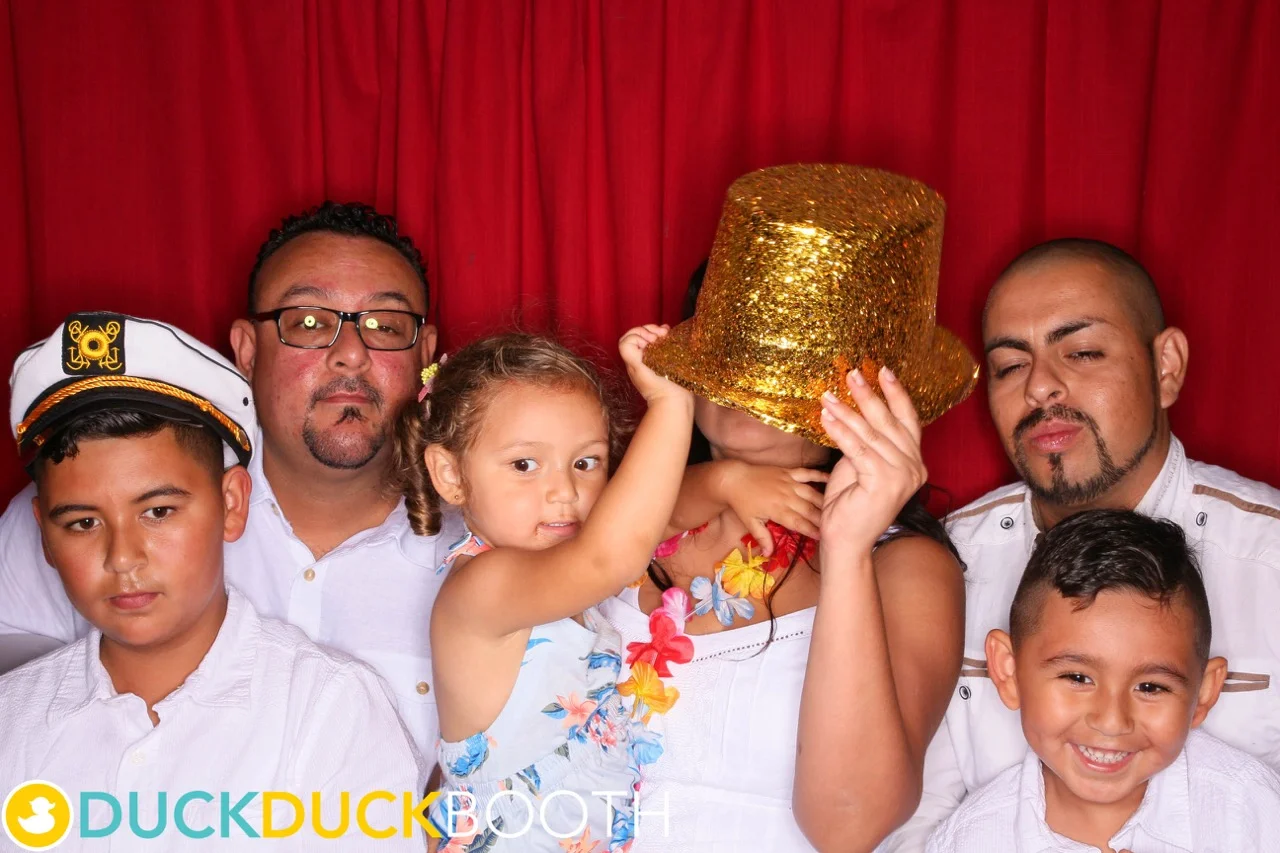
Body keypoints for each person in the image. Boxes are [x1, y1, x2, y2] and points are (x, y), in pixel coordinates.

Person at [597, 164, 976, 851]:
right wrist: (685, 441)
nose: (754, 374)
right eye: (736, 337)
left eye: (797, 346)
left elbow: (848, 826)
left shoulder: (905, 566)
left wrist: (849, 549)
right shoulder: (615, 511)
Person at [0, 202, 462, 762]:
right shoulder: (88, 504)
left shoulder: (490, 531)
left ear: (426, 355)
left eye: (385, 326)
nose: (350, 355)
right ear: (246, 350)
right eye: (308, 323)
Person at [887, 239, 1280, 850]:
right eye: (1010, 366)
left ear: (1166, 366)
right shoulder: (941, 569)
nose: (1041, 387)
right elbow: (909, 826)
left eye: (1083, 352)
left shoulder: (1270, 558)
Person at [0, 313, 425, 850]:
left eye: (158, 512)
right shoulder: (12, 719)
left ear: (232, 504)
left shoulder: (329, 712)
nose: (123, 558)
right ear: (43, 533)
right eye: (83, 523)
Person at [390, 326, 691, 850]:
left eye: (585, 462)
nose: (565, 491)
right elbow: (611, 555)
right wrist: (671, 405)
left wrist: (728, 482)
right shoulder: (482, 587)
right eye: (524, 465)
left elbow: (650, 515)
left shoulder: (550, 573)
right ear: (450, 474)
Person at [927, 510, 1280, 852]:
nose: (1111, 722)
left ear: (1203, 693)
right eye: (1078, 677)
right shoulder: (968, 840)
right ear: (1009, 672)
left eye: (1150, 687)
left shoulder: (1249, 808)